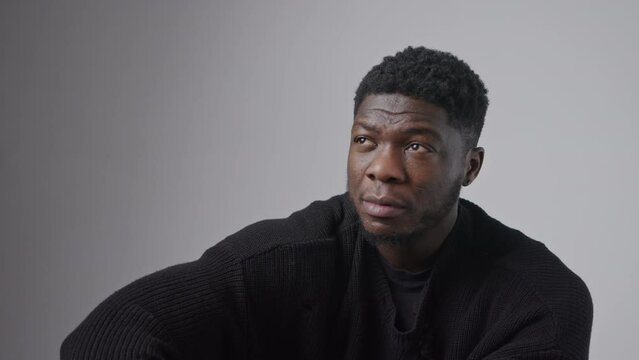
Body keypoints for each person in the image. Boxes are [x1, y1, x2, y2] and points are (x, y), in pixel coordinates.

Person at [61, 47, 593, 360]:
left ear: (469, 167)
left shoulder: (538, 301)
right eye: (366, 140)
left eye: (416, 145)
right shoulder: (288, 256)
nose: (381, 168)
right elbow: (106, 337)